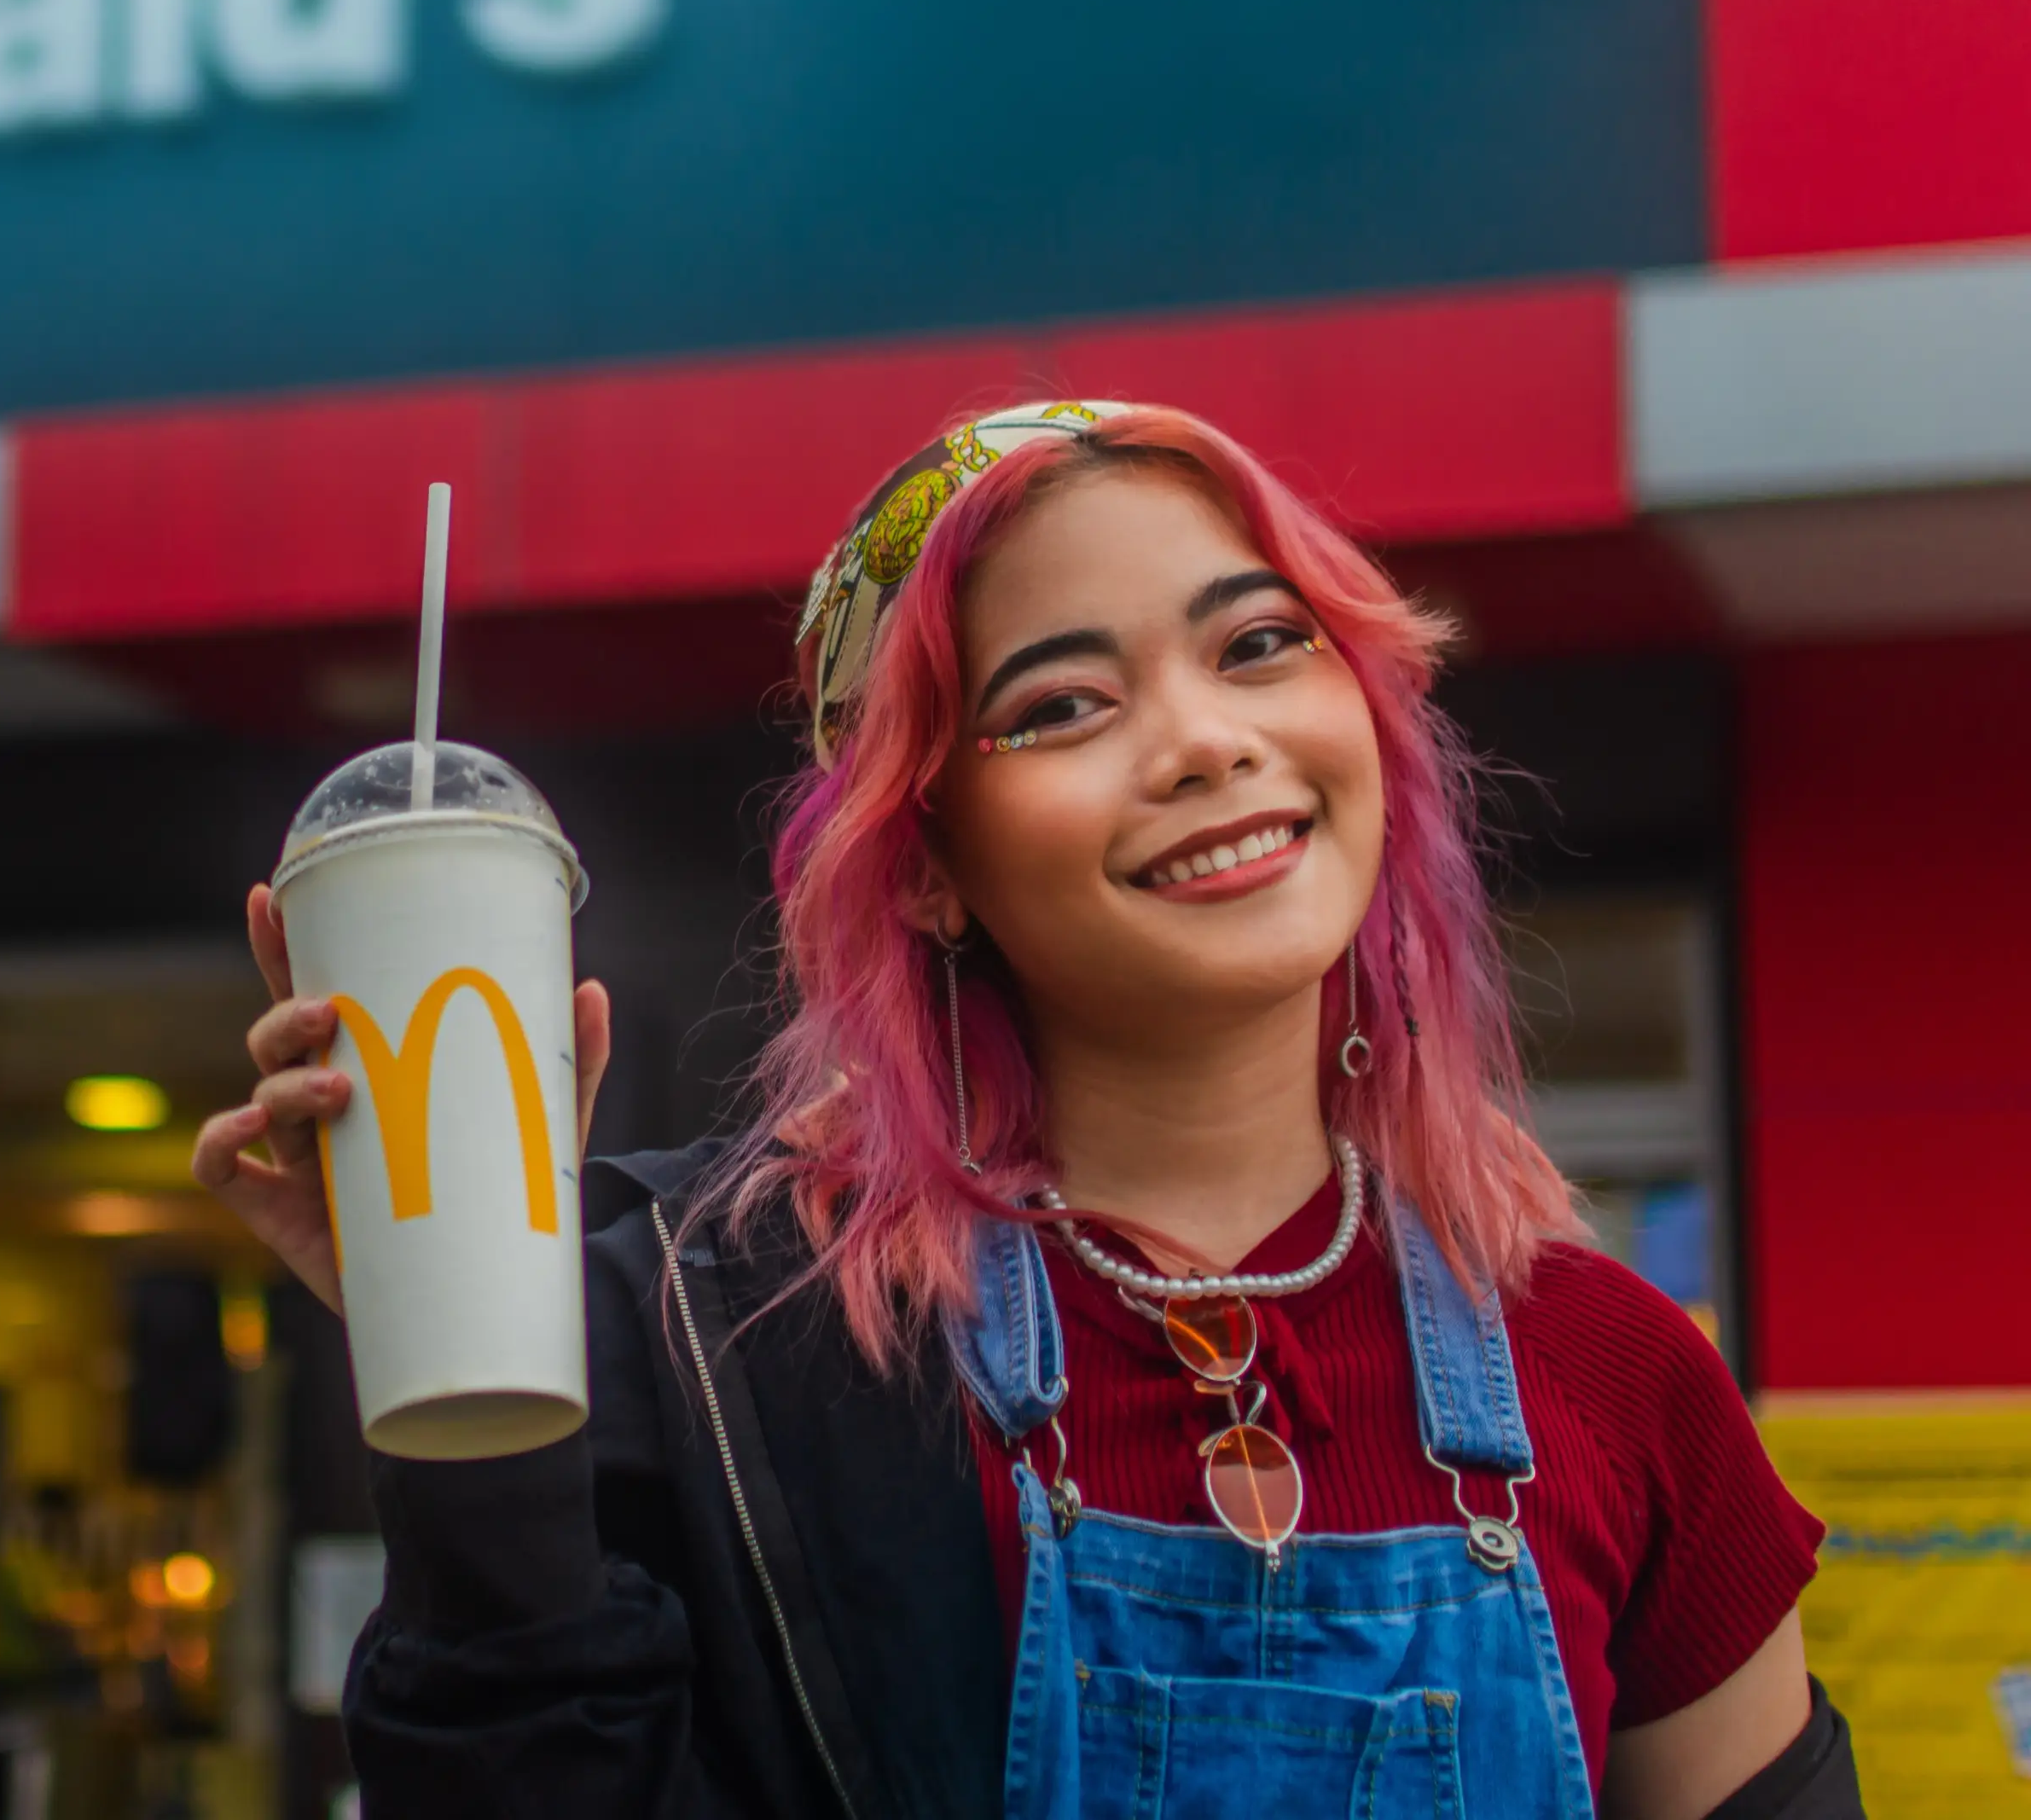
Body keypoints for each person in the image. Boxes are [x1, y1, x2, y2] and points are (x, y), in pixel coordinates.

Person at [195, 403, 1863, 1818]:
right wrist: (469, 1358)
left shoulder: (1620, 1374)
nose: (1205, 741)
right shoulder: (721, 1343)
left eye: (1260, 643)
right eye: (1062, 703)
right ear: (925, 863)